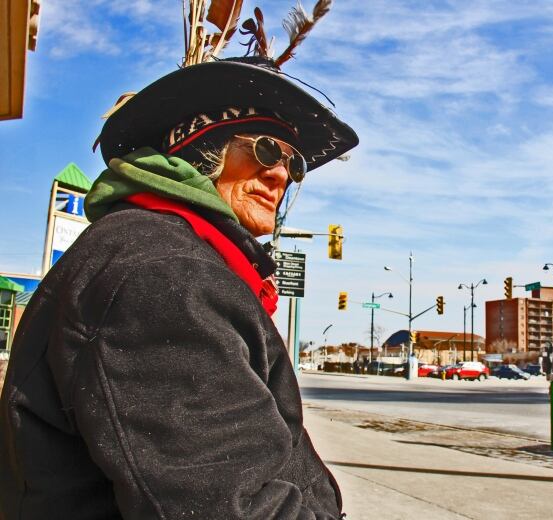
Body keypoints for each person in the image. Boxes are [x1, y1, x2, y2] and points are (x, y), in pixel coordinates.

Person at [0, 5, 357, 519]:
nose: (282, 175)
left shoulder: (165, 255)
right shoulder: (162, 274)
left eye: (292, 162)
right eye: (264, 149)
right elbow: (230, 505)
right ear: (197, 151)